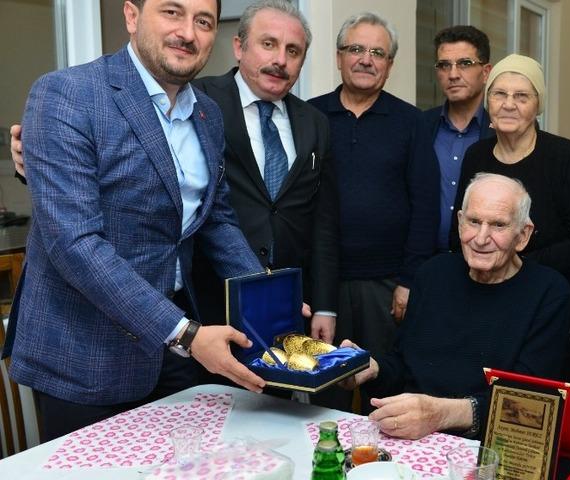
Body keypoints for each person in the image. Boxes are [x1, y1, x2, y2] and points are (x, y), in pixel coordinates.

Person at [0, 0, 277, 441]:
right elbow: (75, 244)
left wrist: (266, 295)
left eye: (203, 21)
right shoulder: (66, 94)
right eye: (172, 12)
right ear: (132, 16)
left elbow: (216, 221)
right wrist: (185, 335)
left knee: (191, 466)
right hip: (84, 356)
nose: (188, 32)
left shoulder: (207, 115)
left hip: (170, 355)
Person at [341, 173, 570, 440]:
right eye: (474, 221)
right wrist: (372, 369)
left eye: (498, 225)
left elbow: (528, 404)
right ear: (460, 223)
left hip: (491, 445)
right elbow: (404, 366)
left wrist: (441, 414)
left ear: (523, 235)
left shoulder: (549, 292)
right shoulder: (433, 273)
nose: (481, 238)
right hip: (413, 437)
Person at [450, 53, 570, 435]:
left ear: (538, 105)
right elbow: (463, 227)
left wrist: (520, 264)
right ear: (487, 101)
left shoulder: (564, 156)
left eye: (522, 95)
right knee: (491, 403)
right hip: (487, 305)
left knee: (548, 416)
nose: (509, 104)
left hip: (553, 307)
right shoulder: (476, 155)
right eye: (499, 94)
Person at [190, 0, 338, 343]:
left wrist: (325, 306)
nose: (280, 60)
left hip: (290, 306)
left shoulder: (315, 123)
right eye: (268, 44)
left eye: (293, 50)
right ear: (239, 47)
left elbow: (324, 221)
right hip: (210, 302)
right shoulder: (199, 102)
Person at [307, 13, 438, 362]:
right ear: (339, 57)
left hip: (387, 285)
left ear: (389, 65)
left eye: (377, 53)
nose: (366, 59)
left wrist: (409, 280)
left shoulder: (412, 122)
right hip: (321, 283)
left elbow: (426, 207)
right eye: (356, 49)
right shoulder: (309, 117)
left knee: (383, 379)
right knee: (322, 379)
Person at [423, 26, 494, 252]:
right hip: (427, 258)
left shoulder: (502, 130)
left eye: (464, 63)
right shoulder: (421, 125)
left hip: (483, 255)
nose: (453, 74)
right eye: (444, 65)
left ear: (486, 72)